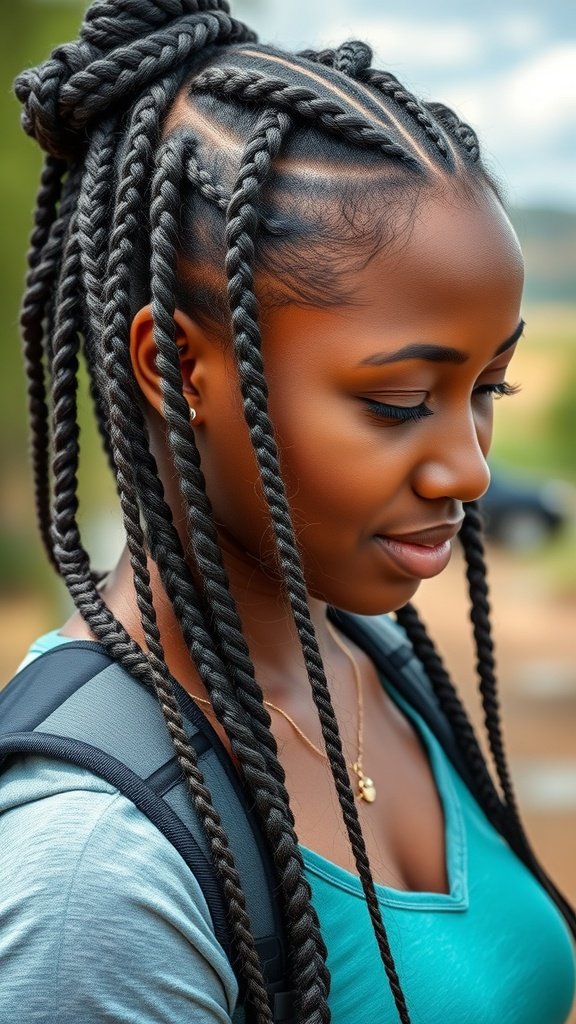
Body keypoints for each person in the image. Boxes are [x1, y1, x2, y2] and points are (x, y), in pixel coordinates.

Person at [1, 1, 574, 1021]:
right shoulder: (94, 876)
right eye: (398, 403)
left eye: (490, 387)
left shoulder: (372, 662)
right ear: (175, 367)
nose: (470, 468)